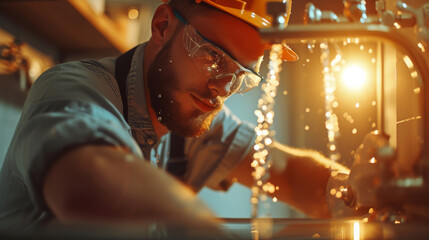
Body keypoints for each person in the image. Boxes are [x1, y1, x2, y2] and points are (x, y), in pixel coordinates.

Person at [0, 0, 370, 235]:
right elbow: (93, 181)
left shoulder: (189, 115)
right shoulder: (71, 87)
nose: (220, 90)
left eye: (241, 76)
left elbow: (285, 174)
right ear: (162, 25)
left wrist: (357, 191)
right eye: (213, 57)